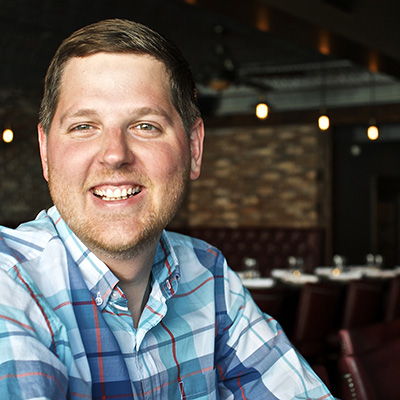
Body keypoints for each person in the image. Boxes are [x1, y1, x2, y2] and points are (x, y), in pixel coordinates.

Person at [0, 19, 334, 399]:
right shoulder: (10, 287)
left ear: (194, 148)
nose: (114, 154)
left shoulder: (207, 274)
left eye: (145, 126)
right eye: (83, 127)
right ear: (45, 152)